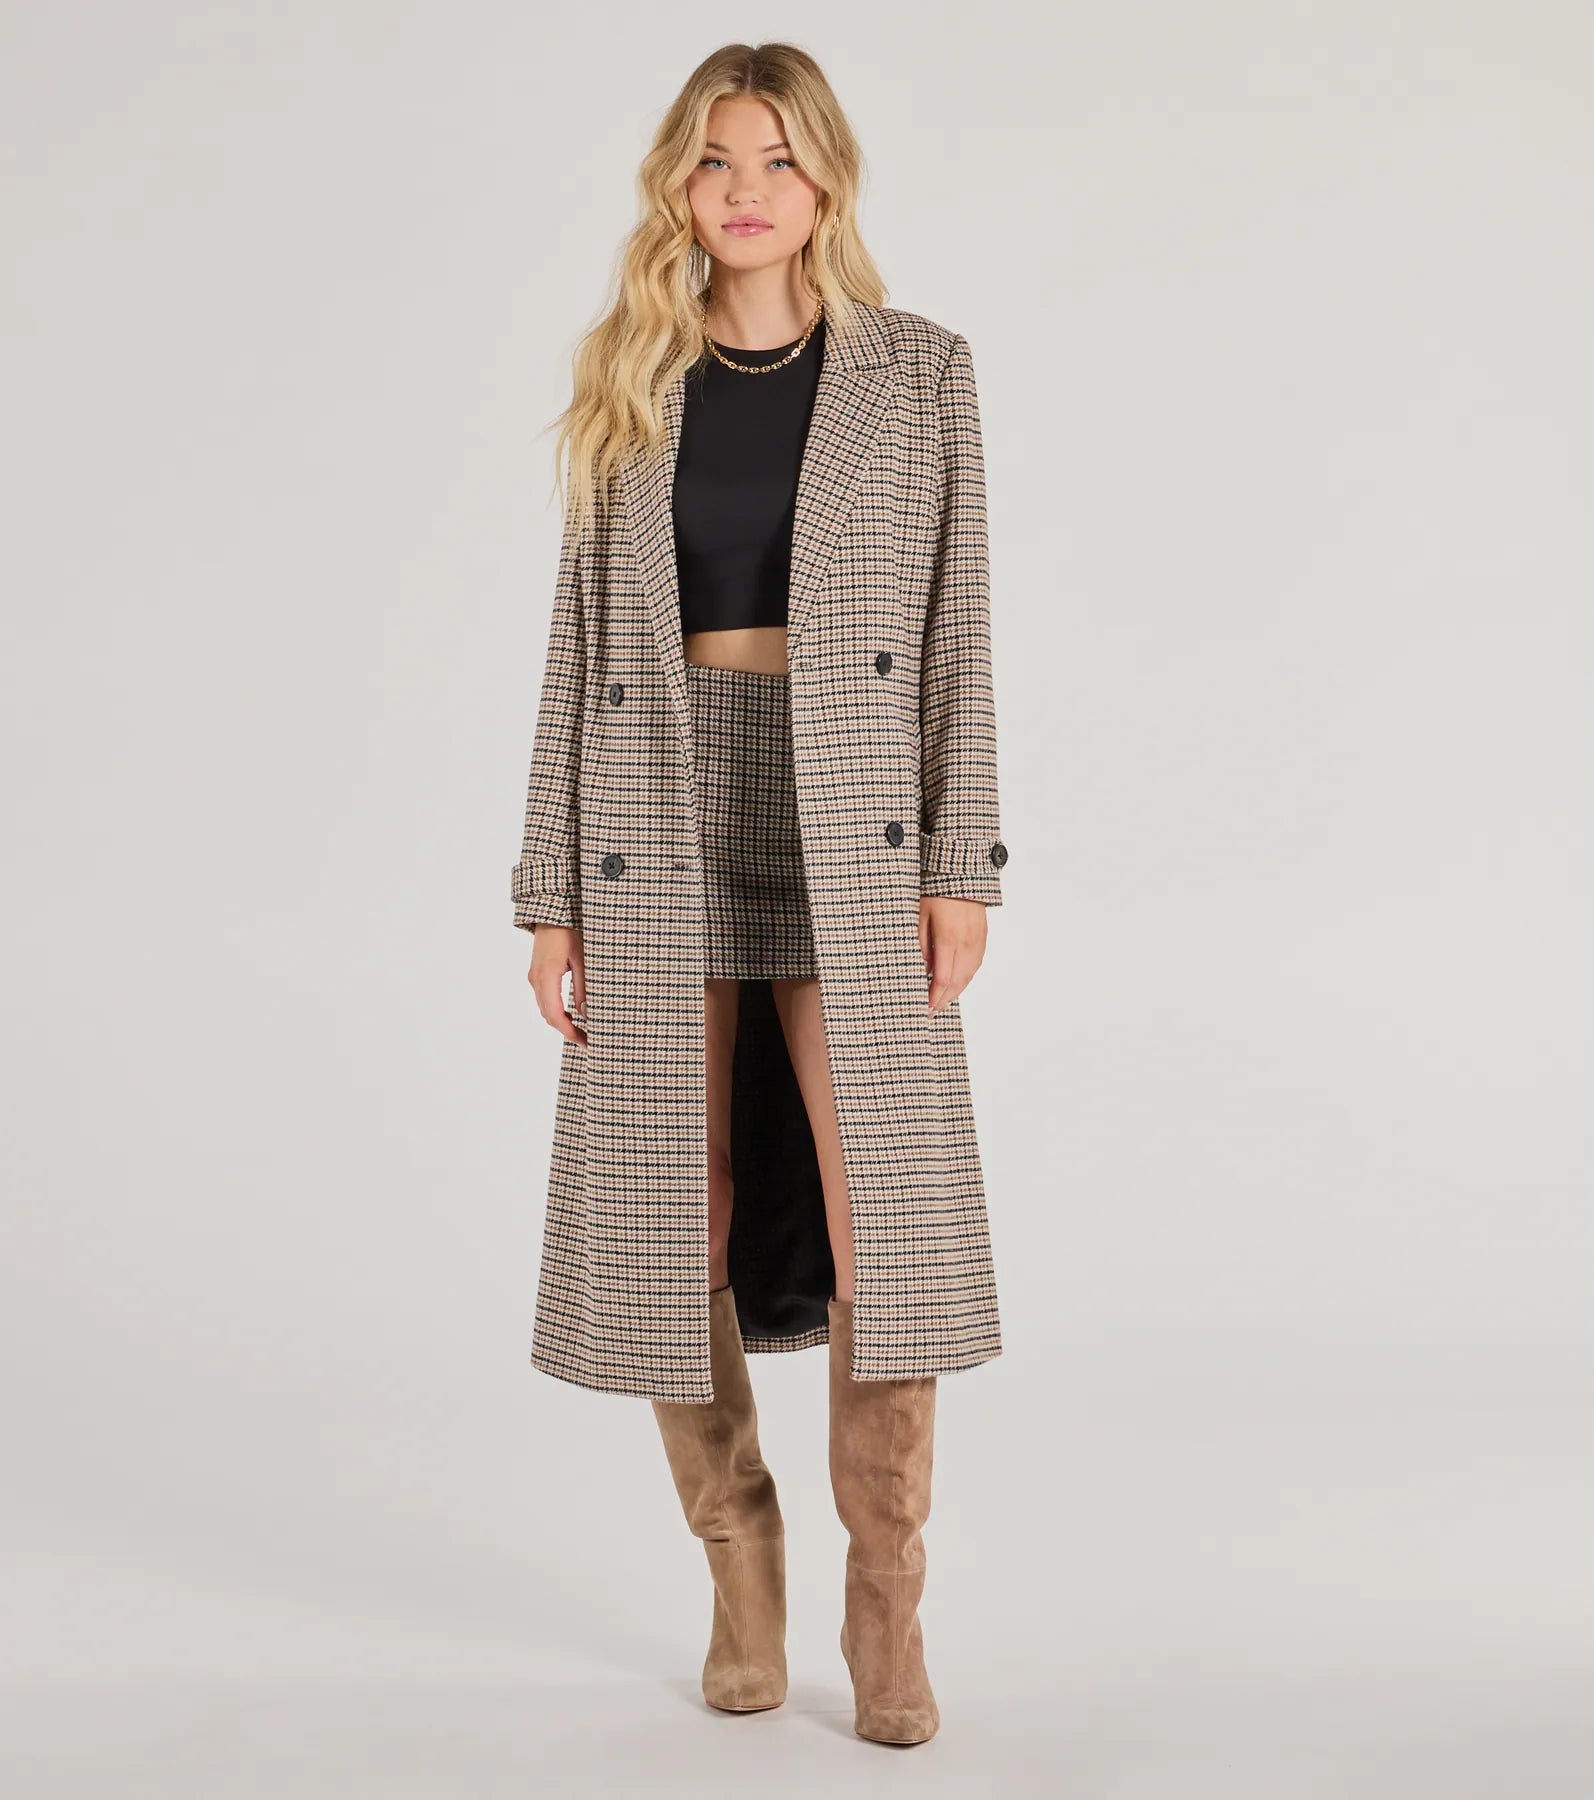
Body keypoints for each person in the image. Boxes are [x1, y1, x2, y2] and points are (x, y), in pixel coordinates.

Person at [509, 42, 1009, 1747]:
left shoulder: (918, 371)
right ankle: (739, 1564)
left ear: (825, 182)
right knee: (685, 1204)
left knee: (886, 1218)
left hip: (852, 804)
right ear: (679, 183)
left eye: (775, 160)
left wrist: (960, 857)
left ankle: (886, 1602)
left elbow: (959, 630)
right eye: (715, 161)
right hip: (661, 797)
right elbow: (575, 650)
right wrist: (551, 894)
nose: (743, 191)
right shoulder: (628, 375)